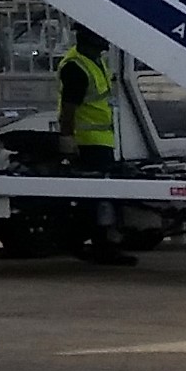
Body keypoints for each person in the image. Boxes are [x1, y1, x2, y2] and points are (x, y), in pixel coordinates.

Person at [54, 31, 140, 266]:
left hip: (101, 140)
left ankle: (93, 243)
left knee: (99, 196)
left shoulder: (94, 61)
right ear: (91, 40)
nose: (106, 39)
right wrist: (67, 141)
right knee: (100, 197)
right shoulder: (77, 67)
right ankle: (102, 247)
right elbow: (68, 110)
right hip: (88, 142)